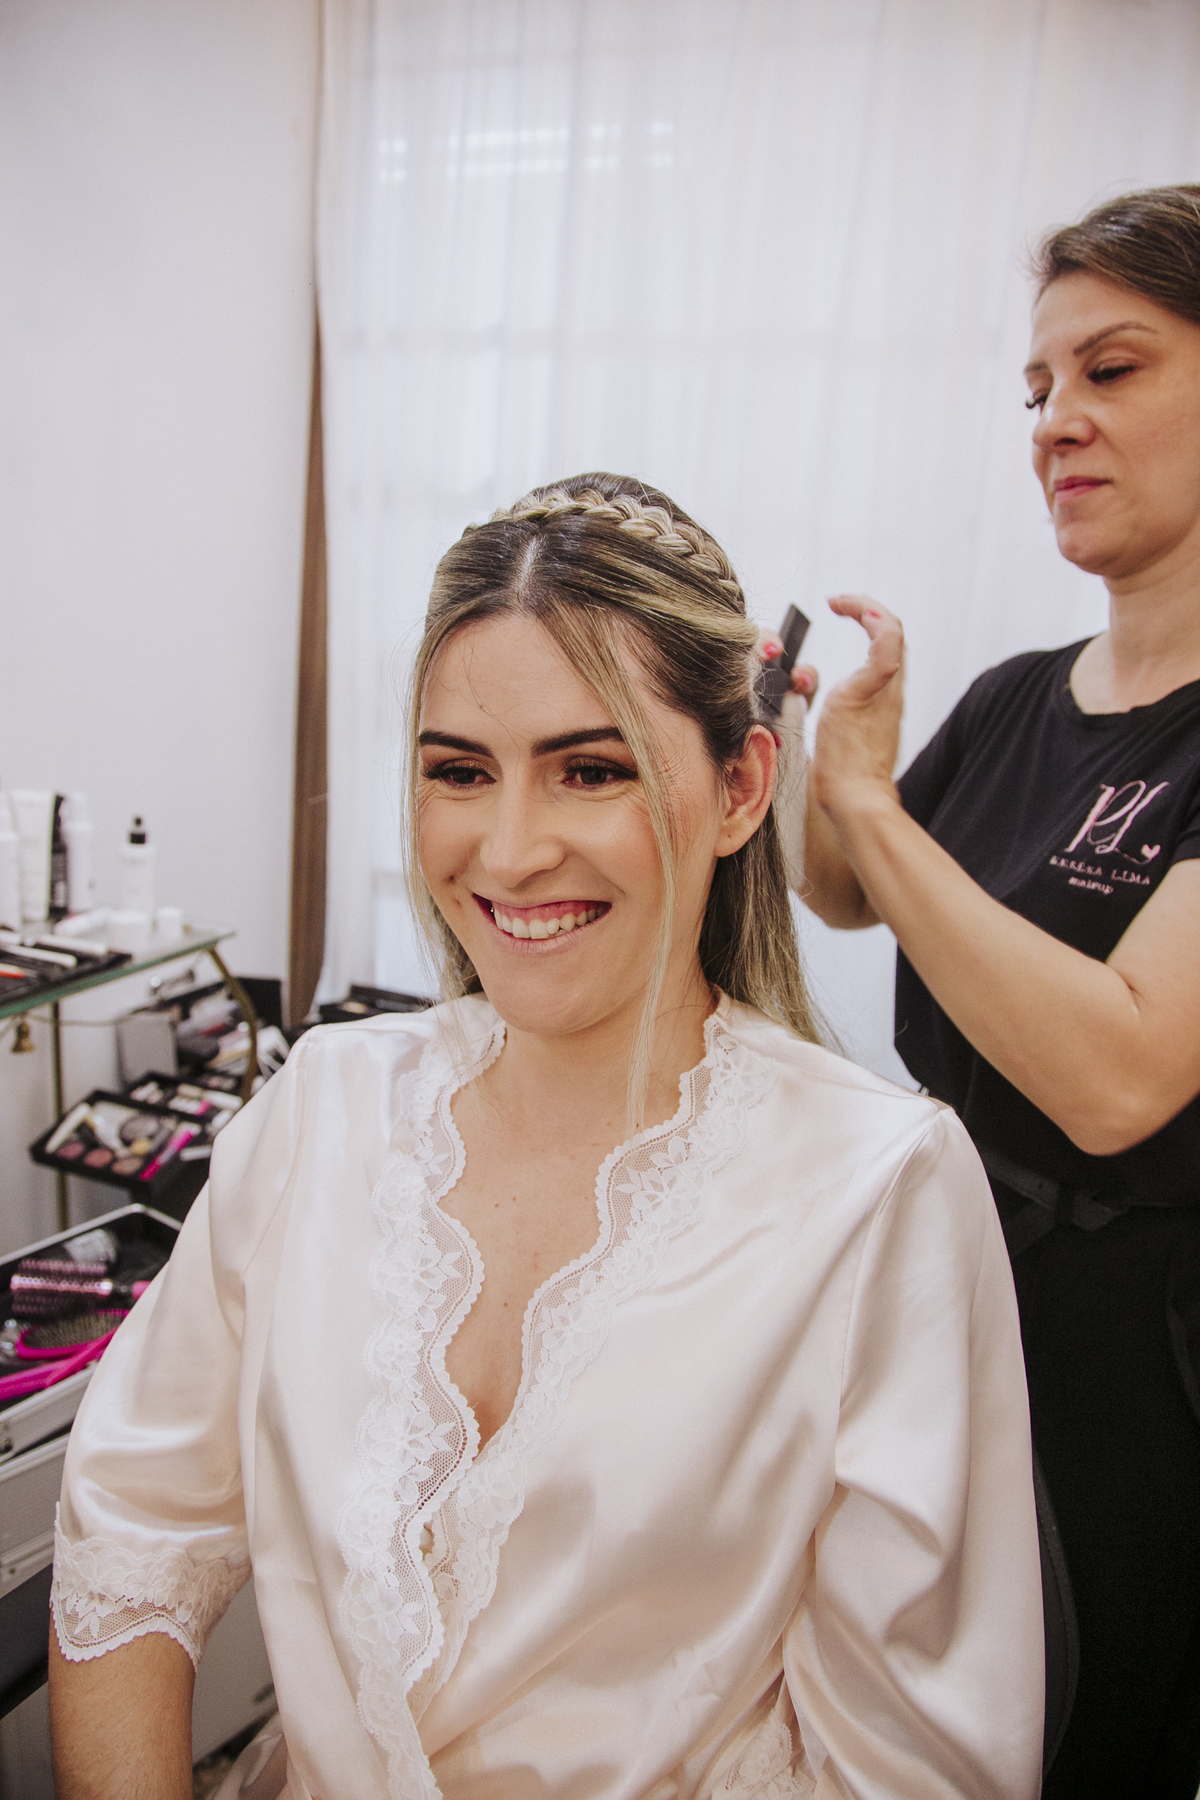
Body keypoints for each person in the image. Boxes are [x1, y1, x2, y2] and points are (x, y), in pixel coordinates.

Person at [48, 474, 1043, 1800]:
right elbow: (131, 1536)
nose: (510, 852)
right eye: (460, 772)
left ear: (742, 788)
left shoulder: (879, 1191)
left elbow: (910, 1767)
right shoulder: (320, 1111)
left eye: (592, 770)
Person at [789, 186, 1200, 1800]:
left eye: (1112, 369)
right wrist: (804, 765)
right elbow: (845, 889)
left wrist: (871, 811)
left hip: (1133, 1364)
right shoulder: (1019, 698)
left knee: (1085, 1725)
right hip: (950, 1282)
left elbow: (1121, 1075)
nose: (1056, 423)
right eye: (1037, 390)